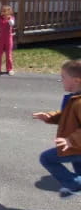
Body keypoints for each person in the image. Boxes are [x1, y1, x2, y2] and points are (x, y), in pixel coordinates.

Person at [35, 60, 81, 198]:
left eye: (63, 77)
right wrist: (50, 117)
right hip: (76, 146)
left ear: (77, 80)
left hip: (75, 146)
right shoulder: (74, 97)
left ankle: (74, 184)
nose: (61, 80)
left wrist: (70, 141)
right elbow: (67, 116)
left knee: (46, 158)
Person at [0, 5, 15, 76]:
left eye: (5, 11)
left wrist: (8, 18)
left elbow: (12, 24)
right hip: (1, 39)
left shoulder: (11, 18)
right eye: (2, 11)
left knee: (8, 55)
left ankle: (9, 69)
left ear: (9, 12)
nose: (3, 12)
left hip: (8, 39)